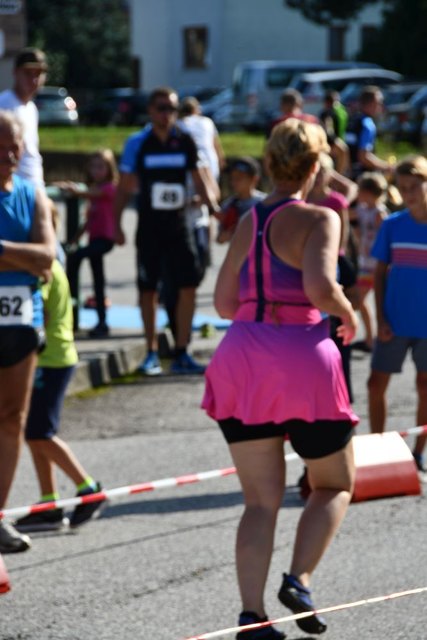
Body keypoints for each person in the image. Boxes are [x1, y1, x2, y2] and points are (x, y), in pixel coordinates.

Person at [202, 118, 358, 639]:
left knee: (259, 502)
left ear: (269, 162)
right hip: (303, 360)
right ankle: (299, 579)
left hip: (242, 360)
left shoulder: (251, 219)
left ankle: (251, 616)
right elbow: (320, 288)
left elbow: (224, 302)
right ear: (316, 166)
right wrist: (349, 313)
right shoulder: (321, 216)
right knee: (334, 483)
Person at [114, 86, 220, 376]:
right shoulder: (138, 142)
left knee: (188, 285)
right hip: (150, 226)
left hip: (179, 225)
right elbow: (124, 186)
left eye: (172, 109)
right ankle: (150, 351)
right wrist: (117, 224)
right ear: (150, 111)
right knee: (148, 289)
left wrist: (213, 208)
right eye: (161, 108)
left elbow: (199, 178)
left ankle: (182, 350)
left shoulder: (184, 140)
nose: (167, 115)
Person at [14, 208, 103, 532]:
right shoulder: (49, 263)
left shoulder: (42, 269)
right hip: (51, 359)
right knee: (33, 433)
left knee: (41, 433)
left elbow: (38, 318)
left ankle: (89, 489)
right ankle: (49, 503)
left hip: (50, 360)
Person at [0, 111, 55, 553]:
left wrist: (2, 250)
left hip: (22, 321)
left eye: (14, 146)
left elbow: (47, 256)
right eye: (0, 147)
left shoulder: (31, 193)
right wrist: (25, 258)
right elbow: (33, 258)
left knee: (13, 420)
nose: (8, 154)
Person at [368, 156, 427, 473]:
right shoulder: (392, 225)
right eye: (403, 188)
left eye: (415, 186)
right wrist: (380, 318)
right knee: (375, 384)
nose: (409, 193)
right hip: (394, 321)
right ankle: (378, 449)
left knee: (425, 387)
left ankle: (418, 452)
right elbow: (378, 274)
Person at [59, 149, 117, 337]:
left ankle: (69, 292)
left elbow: (93, 193)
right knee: (97, 280)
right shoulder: (93, 191)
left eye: (100, 167)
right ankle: (102, 322)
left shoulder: (108, 188)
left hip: (105, 239)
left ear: (109, 169)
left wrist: (75, 190)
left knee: (77, 258)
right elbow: (88, 222)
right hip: (94, 239)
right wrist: (74, 240)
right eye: (93, 167)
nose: (96, 171)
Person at [350, 172, 388, 352]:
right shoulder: (363, 210)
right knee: (361, 300)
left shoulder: (380, 213)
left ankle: (373, 338)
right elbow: (343, 211)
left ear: (368, 192)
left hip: (375, 265)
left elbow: (385, 239)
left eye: (360, 190)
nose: (358, 193)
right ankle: (370, 338)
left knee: (360, 299)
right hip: (365, 262)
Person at [0, 48, 47, 189]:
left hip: (34, 186)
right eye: (27, 73)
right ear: (15, 73)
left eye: (38, 73)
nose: (34, 79)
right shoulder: (4, 104)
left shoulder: (31, 108)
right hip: (14, 189)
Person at [345, 86, 392, 181]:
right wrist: (386, 167)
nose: (381, 106)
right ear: (371, 104)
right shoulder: (367, 124)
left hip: (349, 173)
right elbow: (364, 157)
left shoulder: (352, 120)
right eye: (379, 102)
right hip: (363, 177)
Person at [216, 157, 266, 244]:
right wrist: (227, 234)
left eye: (239, 178)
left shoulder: (265, 202)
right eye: (232, 178)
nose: (234, 182)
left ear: (254, 179)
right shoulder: (229, 204)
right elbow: (219, 239)